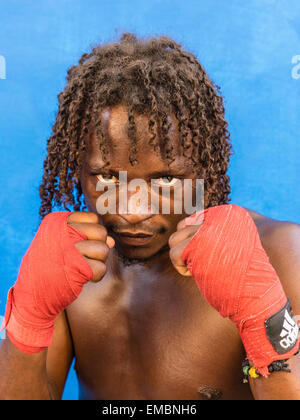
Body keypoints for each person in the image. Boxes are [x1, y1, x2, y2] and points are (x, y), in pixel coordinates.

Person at [0, 33, 300, 401]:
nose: (133, 211)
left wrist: (267, 321)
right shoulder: (65, 268)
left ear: (205, 170)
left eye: (166, 180)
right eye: (107, 177)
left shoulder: (282, 254)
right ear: (78, 169)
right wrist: (27, 321)